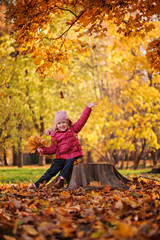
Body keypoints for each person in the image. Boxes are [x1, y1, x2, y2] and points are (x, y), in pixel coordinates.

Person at [34, 101, 97, 189]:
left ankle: (61, 180)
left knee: (70, 161)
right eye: (59, 123)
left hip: (73, 157)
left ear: (67, 122)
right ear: (56, 125)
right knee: (51, 171)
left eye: (63, 122)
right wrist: (43, 150)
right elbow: (53, 149)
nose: (61, 125)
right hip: (60, 158)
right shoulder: (55, 136)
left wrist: (88, 108)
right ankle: (37, 185)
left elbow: (82, 120)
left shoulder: (74, 129)